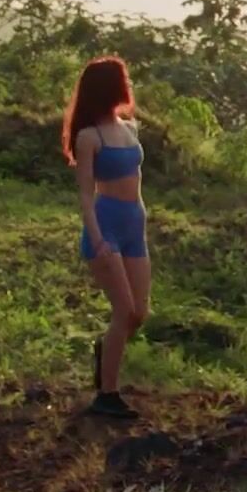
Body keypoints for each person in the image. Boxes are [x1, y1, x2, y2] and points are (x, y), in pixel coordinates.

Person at [64, 55, 152, 421]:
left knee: (139, 313)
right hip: (106, 225)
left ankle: (106, 355)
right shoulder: (89, 137)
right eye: (122, 79)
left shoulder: (129, 128)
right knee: (124, 310)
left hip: (134, 225)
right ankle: (107, 395)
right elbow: (86, 195)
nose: (128, 84)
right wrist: (98, 239)